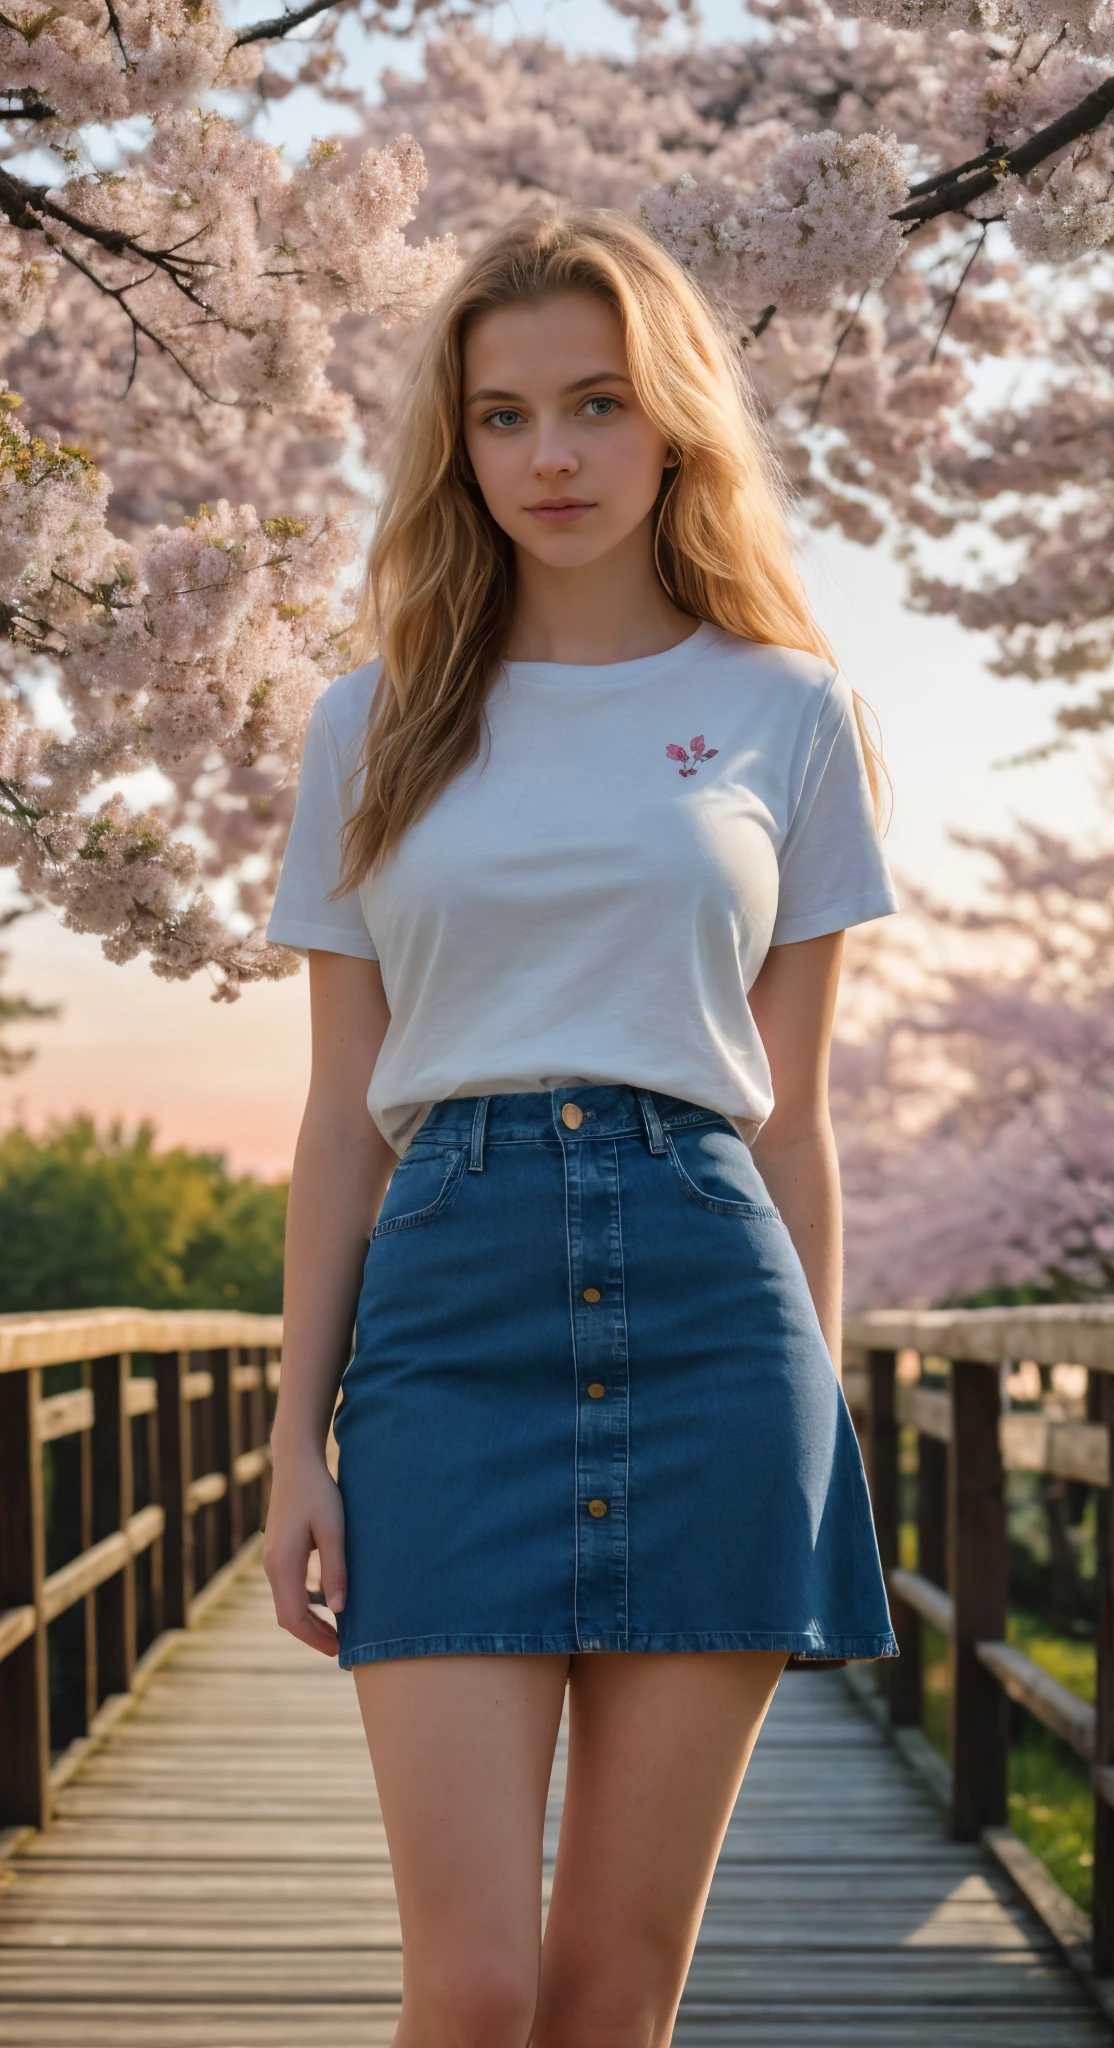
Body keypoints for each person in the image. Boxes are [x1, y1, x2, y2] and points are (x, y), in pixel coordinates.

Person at [262, 206, 899, 2048]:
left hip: (716, 1312)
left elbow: (796, 1121)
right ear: (455, 444)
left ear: (672, 420)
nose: (552, 454)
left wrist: (819, 1418)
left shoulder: (788, 714)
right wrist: (300, 1439)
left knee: (612, 1998)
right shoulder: (368, 730)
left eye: (598, 404)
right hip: (448, 1328)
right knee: (470, 1992)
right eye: (504, 414)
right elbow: (335, 1118)